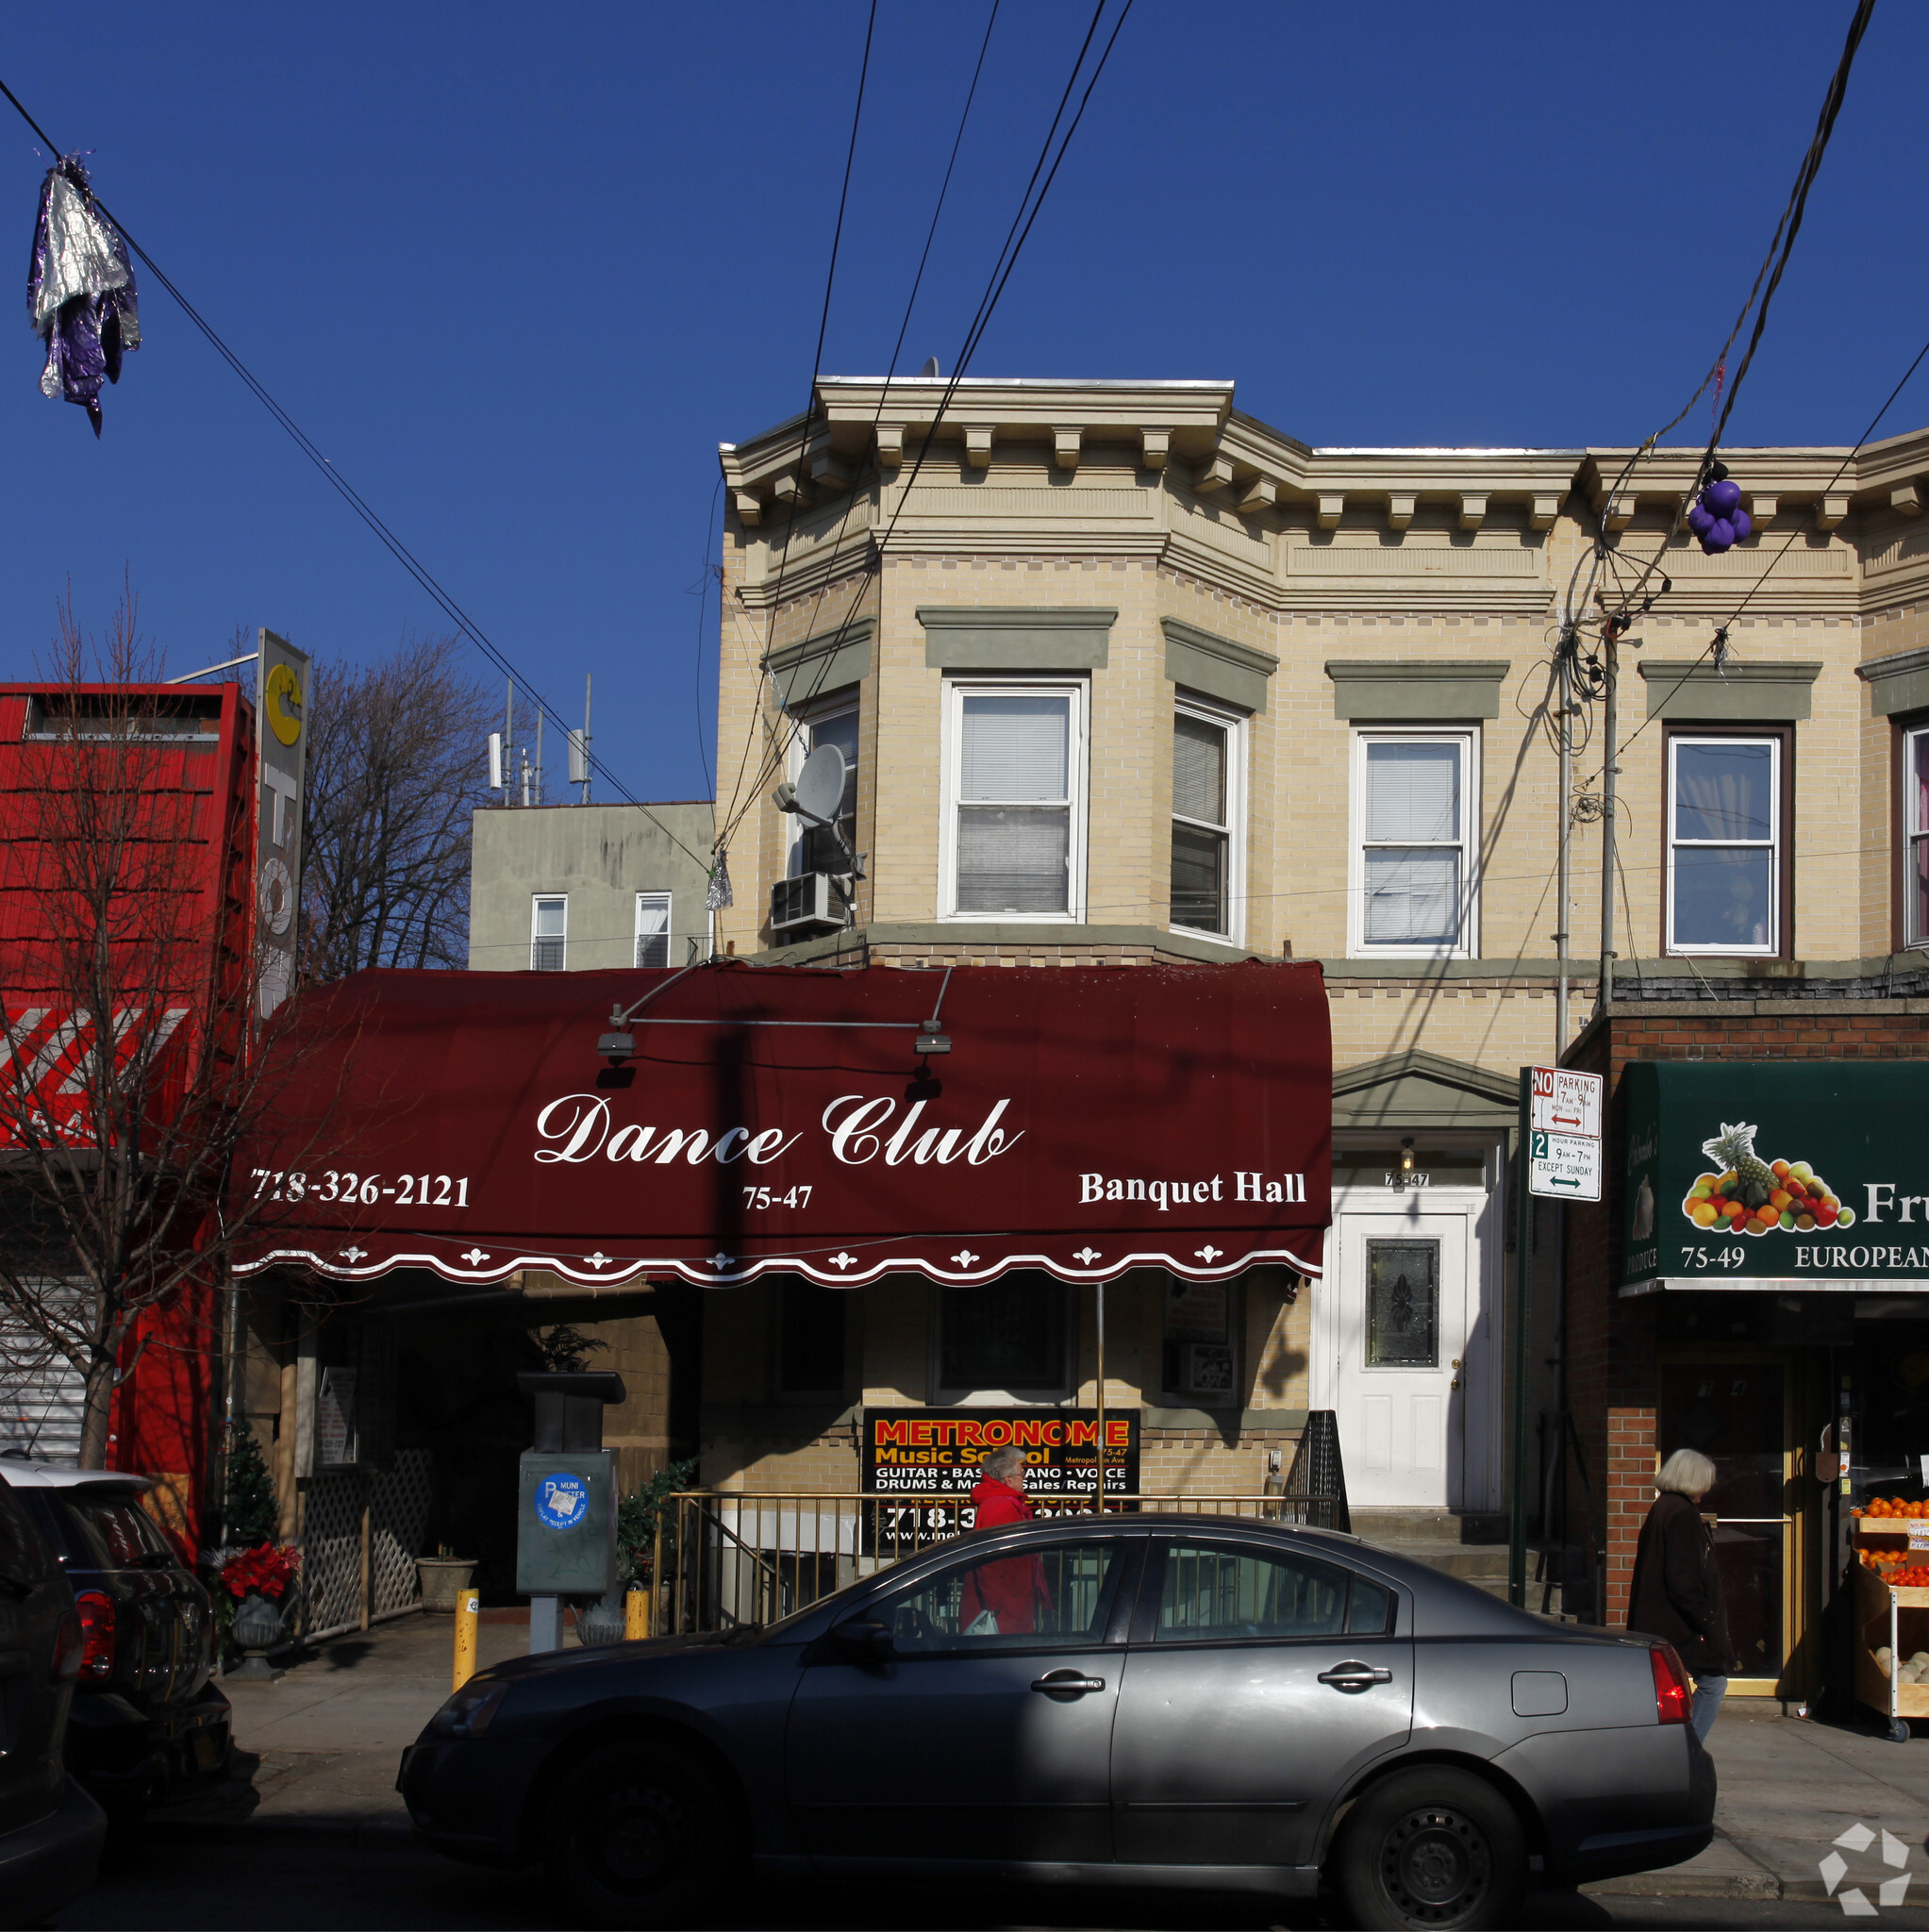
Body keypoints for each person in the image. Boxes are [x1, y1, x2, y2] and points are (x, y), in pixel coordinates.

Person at [1626, 1447, 1738, 1743]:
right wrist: (1707, 1619)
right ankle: (1688, 1749)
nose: (1708, 1488)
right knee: (1713, 1683)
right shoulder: (1682, 1515)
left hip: (1658, 1621)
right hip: (1678, 1624)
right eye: (1705, 1481)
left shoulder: (1662, 1508)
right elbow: (1683, 1580)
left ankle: (1673, 1748)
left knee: (1664, 1690)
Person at [959, 1446, 1052, 1635]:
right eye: (1021, 1472)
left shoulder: (1004, 1503)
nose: (1024, 1477)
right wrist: (996, 1606)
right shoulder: (1000, 1506)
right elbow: (991, 1561)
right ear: (1008, 1479)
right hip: (1003, 1611)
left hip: (1009, 1604)